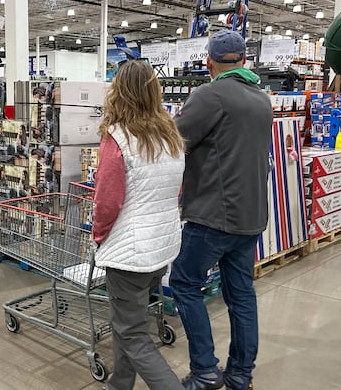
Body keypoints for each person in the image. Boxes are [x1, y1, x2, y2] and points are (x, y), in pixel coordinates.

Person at [169, 29, 273, 390]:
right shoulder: (262, 99)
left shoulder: (209, 95)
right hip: (251, 217)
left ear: (209, 62)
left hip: (213, 216)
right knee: (241, 295)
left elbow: (174, 143)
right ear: (245, 60)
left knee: (184, 282)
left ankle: (206, 371)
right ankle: (241, 374)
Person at [92, 60, 186, 390]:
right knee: (128, 324)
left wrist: (99, 236)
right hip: (161, 248)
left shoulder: (117, 137)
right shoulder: (171, 134)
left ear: (118, 91)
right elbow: (177, 189)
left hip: (130, 254)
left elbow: (107, 201)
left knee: (133, 334)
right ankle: (119, 385)